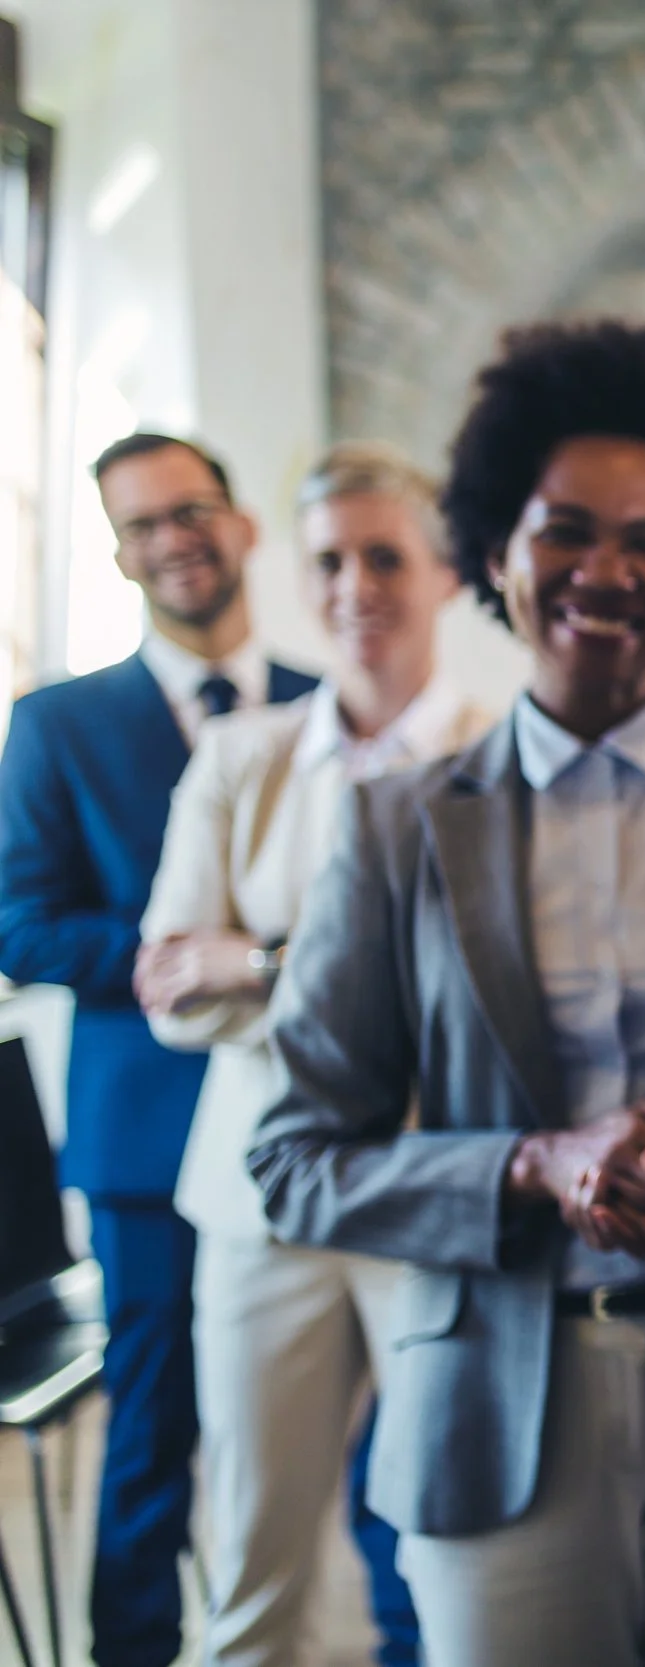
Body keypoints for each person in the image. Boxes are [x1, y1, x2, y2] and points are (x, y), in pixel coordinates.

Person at [248, 322, 645, 1666]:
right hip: (491, 1410)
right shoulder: (396, 828)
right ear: (494, 553)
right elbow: (294, 1160)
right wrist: (531, 1163)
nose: (607, 571)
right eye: (565, 530)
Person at [138, 441, 494, 1667]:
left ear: (448, 572)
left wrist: (256, 960)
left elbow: (485, 1008)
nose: (355, 586)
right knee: (250, 1564)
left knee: (459, 1551)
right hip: (256, 1207)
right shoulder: (240, 758)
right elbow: (171, 991)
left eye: (385, 556)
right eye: (330, 560)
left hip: (432, 1199)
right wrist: (346, 973)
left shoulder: (504, 758)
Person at [0, 434, 317, 1667]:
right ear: (122, 555)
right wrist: (189, 953)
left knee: (354, 1424)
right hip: (145, 1139)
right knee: (152, 1429)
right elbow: (20, 925)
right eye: (142, 525)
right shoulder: (58, 722)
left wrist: (272, 961)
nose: (174, 539)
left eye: (191, 510)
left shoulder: (325, 702)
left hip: (308, 1120)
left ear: (239, 523)